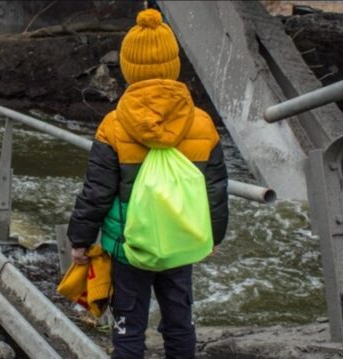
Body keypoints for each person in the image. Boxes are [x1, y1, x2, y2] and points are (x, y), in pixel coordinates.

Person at [66, 8, 229, 358]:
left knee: (128, 327)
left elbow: (96, 192)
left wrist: (79, 241)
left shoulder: (113, 125)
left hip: (129, 249)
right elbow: (215, 189)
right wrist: (213, 236)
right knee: (180, 322)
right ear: (174, 64)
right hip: (180, 243)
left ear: (128, 68)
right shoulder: (202, 124)